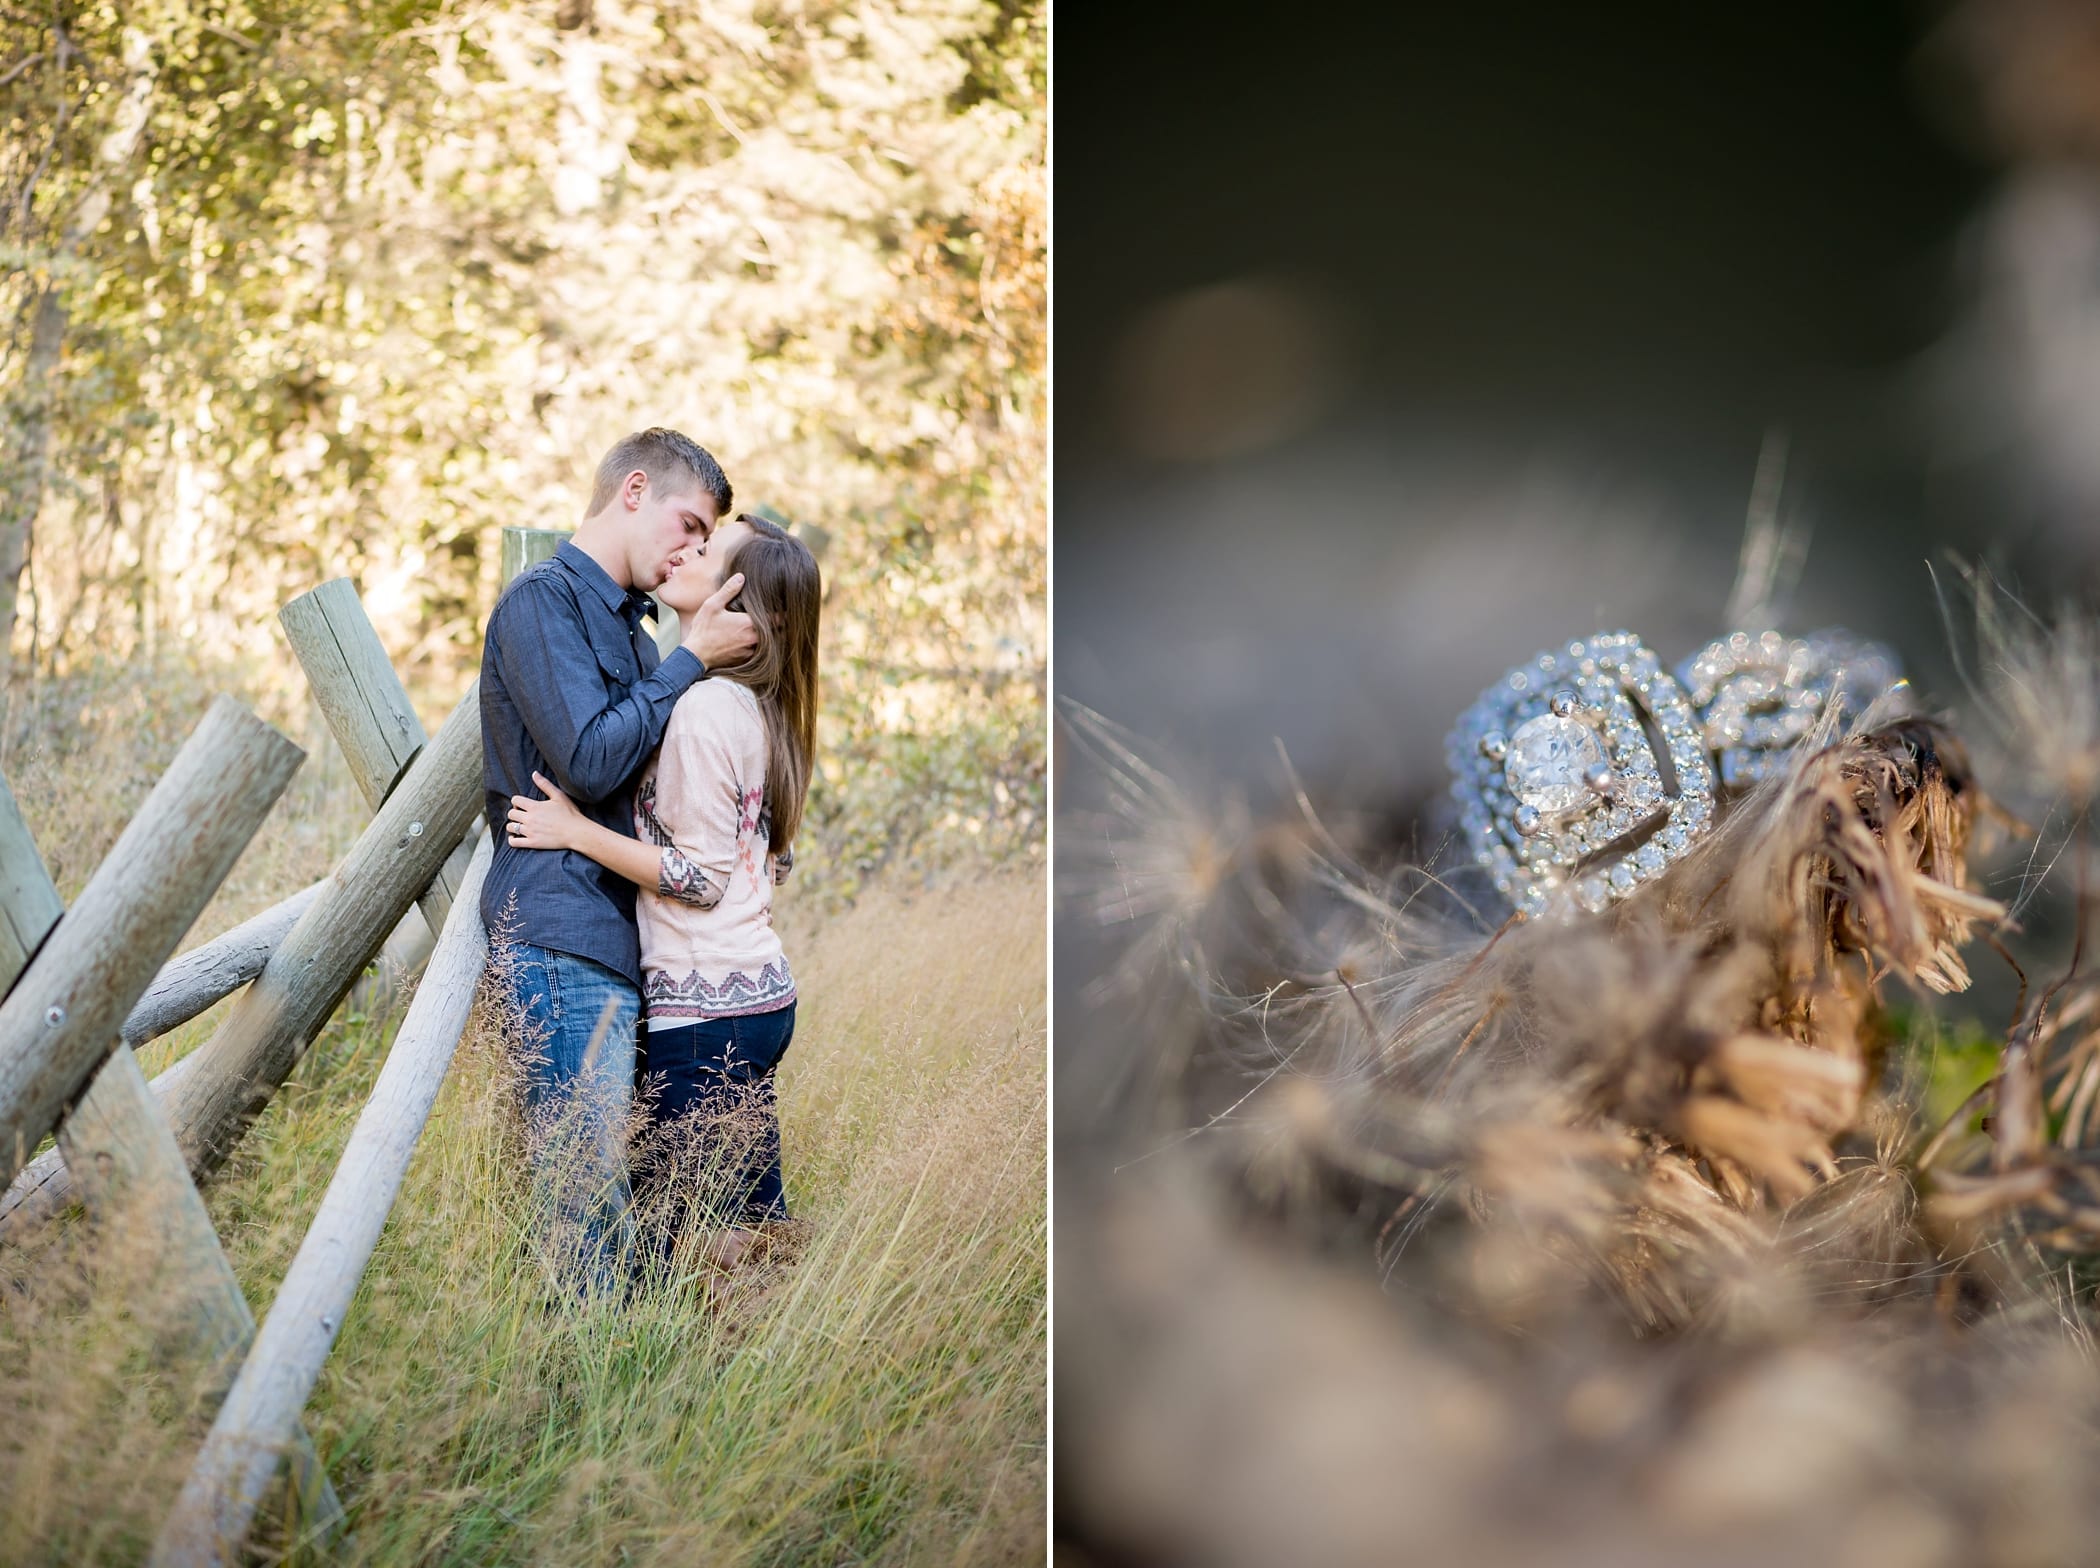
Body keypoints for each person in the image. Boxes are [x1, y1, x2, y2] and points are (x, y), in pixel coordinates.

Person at [505, 512, 820, 1285]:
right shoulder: (749, 708)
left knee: (698, 1243)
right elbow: (763, 862)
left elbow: (703, 878)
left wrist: (576, 831)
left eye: (709, 549)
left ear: (753, 610)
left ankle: (747, 1371)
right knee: (743, 1219)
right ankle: (783, 1348)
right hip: (749, 997)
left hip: (708, 1011)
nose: (687, 550)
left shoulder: (706, 711)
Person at [480, 428, 757, 1300]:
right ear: (632, 491)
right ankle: (584, 1422)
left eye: (708, 539)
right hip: (561, 945)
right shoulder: (542, 604)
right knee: (587, 1219)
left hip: (628, 952)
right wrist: (687, 663)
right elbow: (591, 761)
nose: (694, 548)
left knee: (637, 1216)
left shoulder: (639, 643)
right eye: (688, 524)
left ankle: (643, 1407)